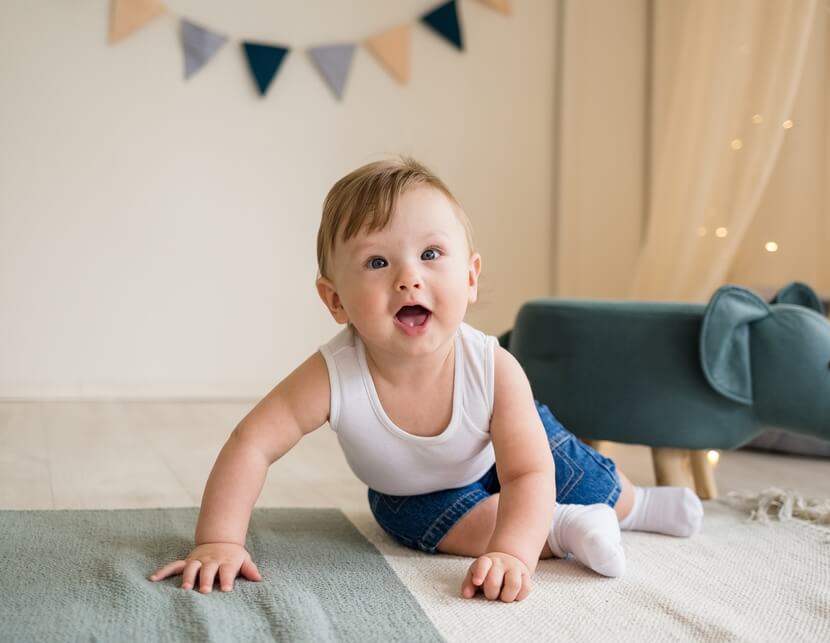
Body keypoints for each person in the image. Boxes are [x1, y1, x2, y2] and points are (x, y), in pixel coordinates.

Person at [149, 157, 704, 603]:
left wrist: (514, 551)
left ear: (469, 278)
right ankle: (564, 531)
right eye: (376, 263)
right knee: (436, 527)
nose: (409, 277)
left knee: (583, 475)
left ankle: (639, 507)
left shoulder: (492, 366)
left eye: (431, 254)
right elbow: (251, 444)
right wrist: (218, 541)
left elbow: (528, 469)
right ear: (335, 299)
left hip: (512, 457)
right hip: (416, 495)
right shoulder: (333, 374)